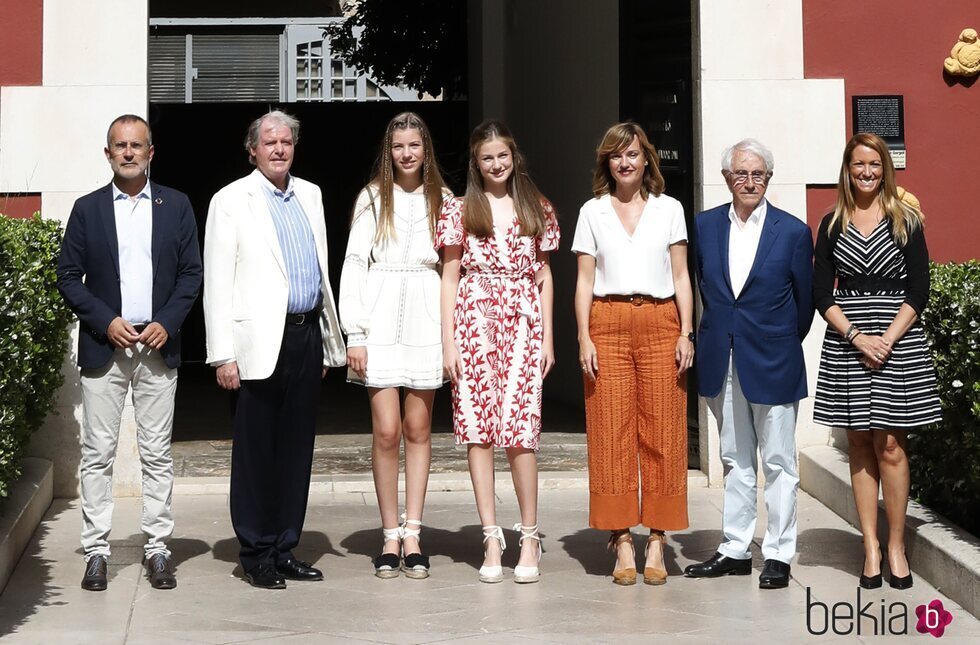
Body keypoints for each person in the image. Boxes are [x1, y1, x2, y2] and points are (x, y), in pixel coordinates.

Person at [57, 114, 202, 591]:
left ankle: (158, 547)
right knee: (97, 454)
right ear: (108, 153)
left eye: (136, 145)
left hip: (158, 347)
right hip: (106, 347)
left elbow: (190, 275)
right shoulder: (87, 209)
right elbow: (67, 277)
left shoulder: (177, 205)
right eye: (119, 145)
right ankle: (96, 551)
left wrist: (167, 321)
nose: (128, 152)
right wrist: (106, 320)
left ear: (150, 152)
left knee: (157, 454)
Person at [203, 110, 346, 589]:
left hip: (306, 337)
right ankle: (255, 552)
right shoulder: (230, 200)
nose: (279, 149)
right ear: (253, 149)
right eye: (270, 142)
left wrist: (328, 342)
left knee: (295, 450)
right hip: (256, 344)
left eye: (286, 141)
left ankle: (285, 546)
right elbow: (218, 283)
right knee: (257, 451)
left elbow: (319, 271)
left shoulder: (311, 194)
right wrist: (223, 354)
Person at [813, 133, 942, 590]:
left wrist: (885, 338)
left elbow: (919, 288)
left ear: (884, 168)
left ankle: (895, 545)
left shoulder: (906, 220)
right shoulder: (831, 224)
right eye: (858, 164)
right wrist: (855, 336)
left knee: (890, 444)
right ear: (847, 170)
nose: (866, 172)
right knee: (861, 443)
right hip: (849, 341)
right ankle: (869, 546)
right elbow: (819, 292)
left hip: (897, 340)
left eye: (873, 164)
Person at [684, 139, 813, 590]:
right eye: (741, 173)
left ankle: (778, 553)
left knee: (778, 461)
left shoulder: (793, 231)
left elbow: (804, 306)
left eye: (758, 174)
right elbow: (702, 286)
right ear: (726, 178)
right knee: (735, 459)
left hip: (774, 359)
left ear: (769, 179)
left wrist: (775, 340)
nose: (750, 181)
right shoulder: (704, 227)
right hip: (724, 358)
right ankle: (735, 548)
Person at [572, 122, 693, 586]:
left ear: (647, 161)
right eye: (617, 155)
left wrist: (687, 332)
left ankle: (658, 539)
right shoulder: (592, 212)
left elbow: (681, 276)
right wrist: (583, 336)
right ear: (608, 162)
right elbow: (585, 280)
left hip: (662, 321)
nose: (625, 162)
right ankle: (621, 539)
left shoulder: (670, 210)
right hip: (608, 321)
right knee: (610, 427)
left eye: (634, 154)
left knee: (663, 427)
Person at [438, 120, 559, 584]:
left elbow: (544, 275)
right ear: (476, 162)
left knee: (521, 431)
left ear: (514, 157)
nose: (495, 164)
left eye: (502, 156)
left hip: (524, 323)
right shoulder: (459, 208)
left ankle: (529, 536)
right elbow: (450, 275)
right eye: (487, 157)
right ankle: (491, 536)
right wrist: (449, 340)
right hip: (473, 321)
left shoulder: (537, 206)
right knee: (478, 431)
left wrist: (548, 336)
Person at [339, 112, 451, 579]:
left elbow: (453, 273)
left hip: (426, 318)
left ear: (426, 150)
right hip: (380, 318)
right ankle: (389, 533)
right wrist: (356, 333)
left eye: (414, 146)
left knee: (418, 428)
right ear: (389, 152)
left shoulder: (443, 200)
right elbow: (354, 262)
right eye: (398, 146)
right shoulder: (371, 198)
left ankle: (414, 532)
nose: (407, 154)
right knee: (386, 430)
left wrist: (451, 337)